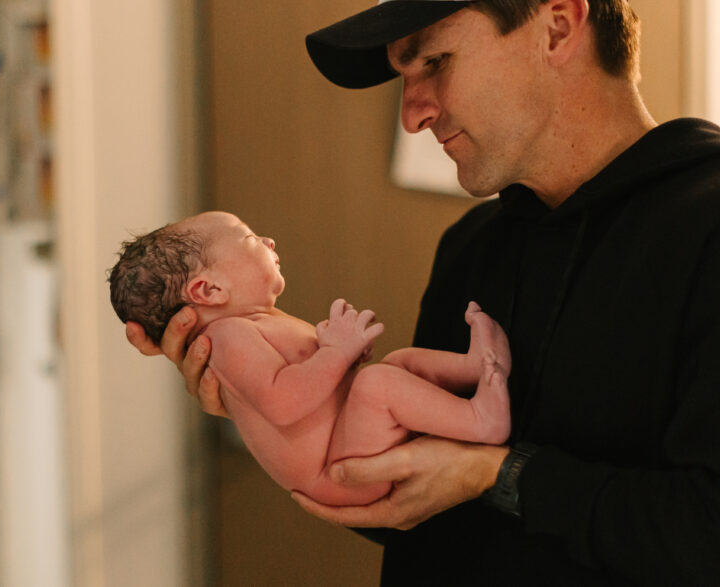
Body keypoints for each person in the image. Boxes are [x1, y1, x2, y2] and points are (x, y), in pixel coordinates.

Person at [129, 0, 720, 583]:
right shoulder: (476, 246)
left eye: (435, 63)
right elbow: (431, 516)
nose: (414, 113)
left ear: (558, 25)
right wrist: (284, 417)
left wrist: (497, 473)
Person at [110, 211, 512, 506]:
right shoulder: (228, 337)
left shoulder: (254, 325)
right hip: (337, 472)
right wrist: (337, 353)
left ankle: (475, 368)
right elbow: (285, 403)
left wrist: (346, 357)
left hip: (345, 446)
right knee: (379, 383)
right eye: (249, 238)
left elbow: (320, 388)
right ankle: (481, 421)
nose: (267, 240)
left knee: (398, 365)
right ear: (209, 290)